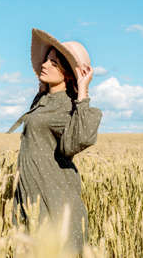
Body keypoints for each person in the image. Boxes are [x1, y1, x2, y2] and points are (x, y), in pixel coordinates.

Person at [6, 28, 103, 253]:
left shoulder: (69, 106)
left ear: (68, 73)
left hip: (55, 202)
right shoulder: (43, 100)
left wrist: (83, 92)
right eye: (46, 60)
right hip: (29, 197)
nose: (45, 65)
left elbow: (75, 143)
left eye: (53, 63)